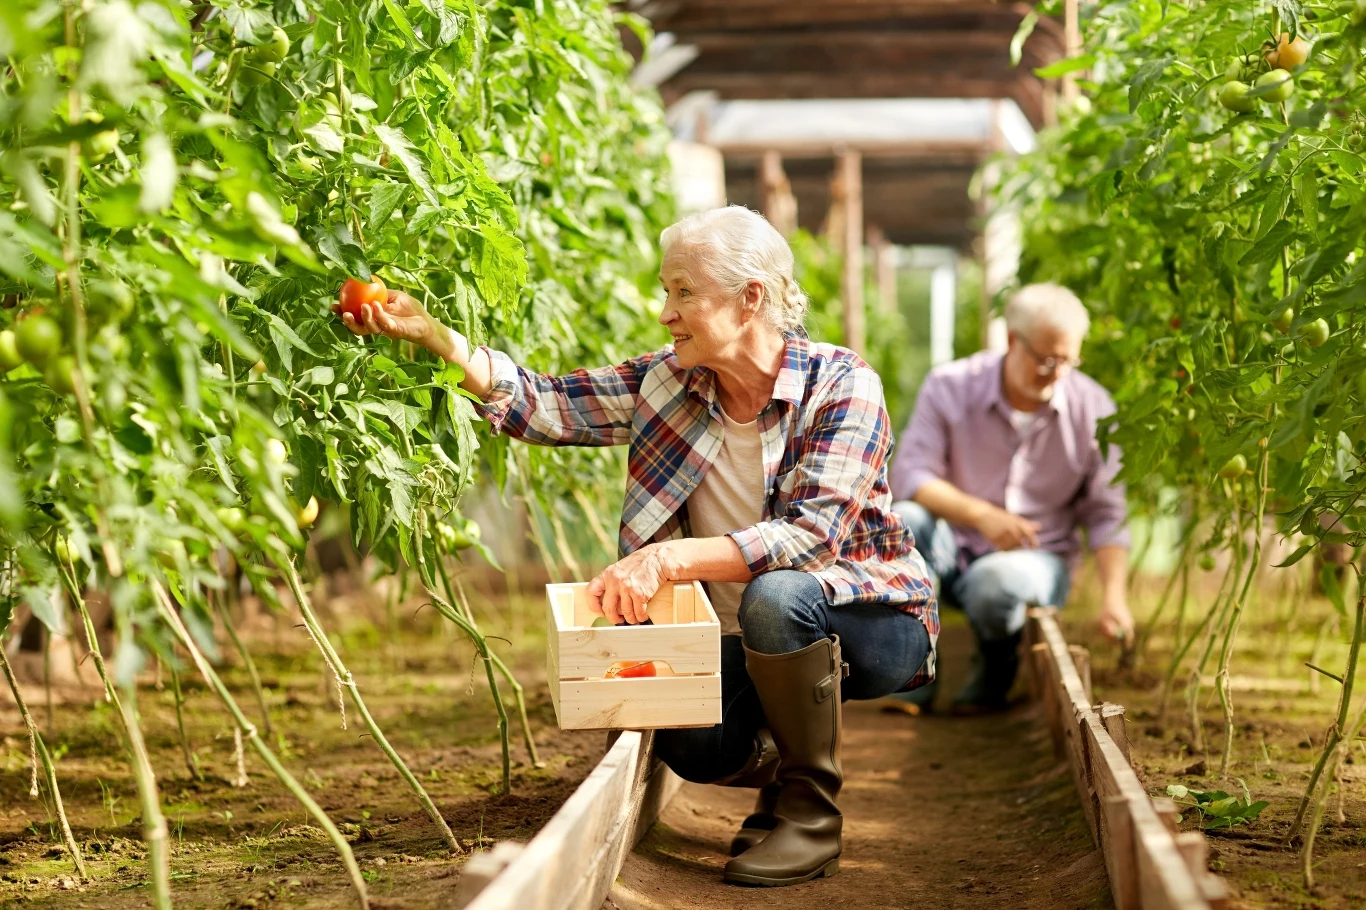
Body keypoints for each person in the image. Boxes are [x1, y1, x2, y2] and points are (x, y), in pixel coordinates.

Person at [334, 206, 937, 887]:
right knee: (691, 742)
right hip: (748, 636)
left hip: (871, 617)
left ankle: (810, 816)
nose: (665, 312)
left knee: (778, 594)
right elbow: (547, 404)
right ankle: (786, 757)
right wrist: (437, 340)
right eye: (666, 290)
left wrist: (666, 558)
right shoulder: (667, 382)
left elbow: (810, 538)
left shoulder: (840, 384)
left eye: (683, 291)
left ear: (750, 299)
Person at [884, 283, 1131, 716]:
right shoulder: (951, 386)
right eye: (1046, 360)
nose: (1056, 373)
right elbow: (911, 474)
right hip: (952, 544)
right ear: (1012, 340)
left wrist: (1115, 597)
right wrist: (981, 516)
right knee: (904, 519)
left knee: (995, 582)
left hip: (1037, 558)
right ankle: (913, 670)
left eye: (1069, 361)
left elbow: (1107, 513)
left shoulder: (1094, 410)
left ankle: (999, 666)